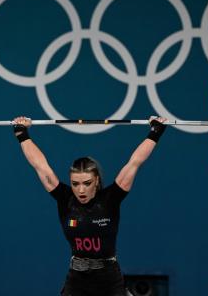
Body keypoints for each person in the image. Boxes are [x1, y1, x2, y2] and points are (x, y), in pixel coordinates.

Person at [12, 116, 167, 296]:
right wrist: (21, 133)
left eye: (87, 183)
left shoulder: (111, 198)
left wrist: (156, 131)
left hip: (109, 278)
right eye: (75, 184)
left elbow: (135, 162)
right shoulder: (64, 198)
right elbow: (40, 165)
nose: (81, 189)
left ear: (96, 181)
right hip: (77, 278)